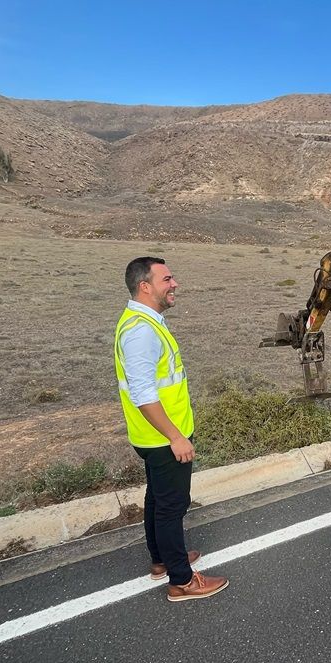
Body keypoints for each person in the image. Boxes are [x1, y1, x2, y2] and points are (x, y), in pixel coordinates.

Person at [115, 256, 229, 602]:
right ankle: (181, 580)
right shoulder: (141, 332)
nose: (174, 284)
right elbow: (144, 395)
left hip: (151, 437)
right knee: (171, 506)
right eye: (167, 279)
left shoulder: (141, 321)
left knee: (157, 500)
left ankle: (162, 560)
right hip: (163, 438)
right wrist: (175, 436)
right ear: (145, 286)